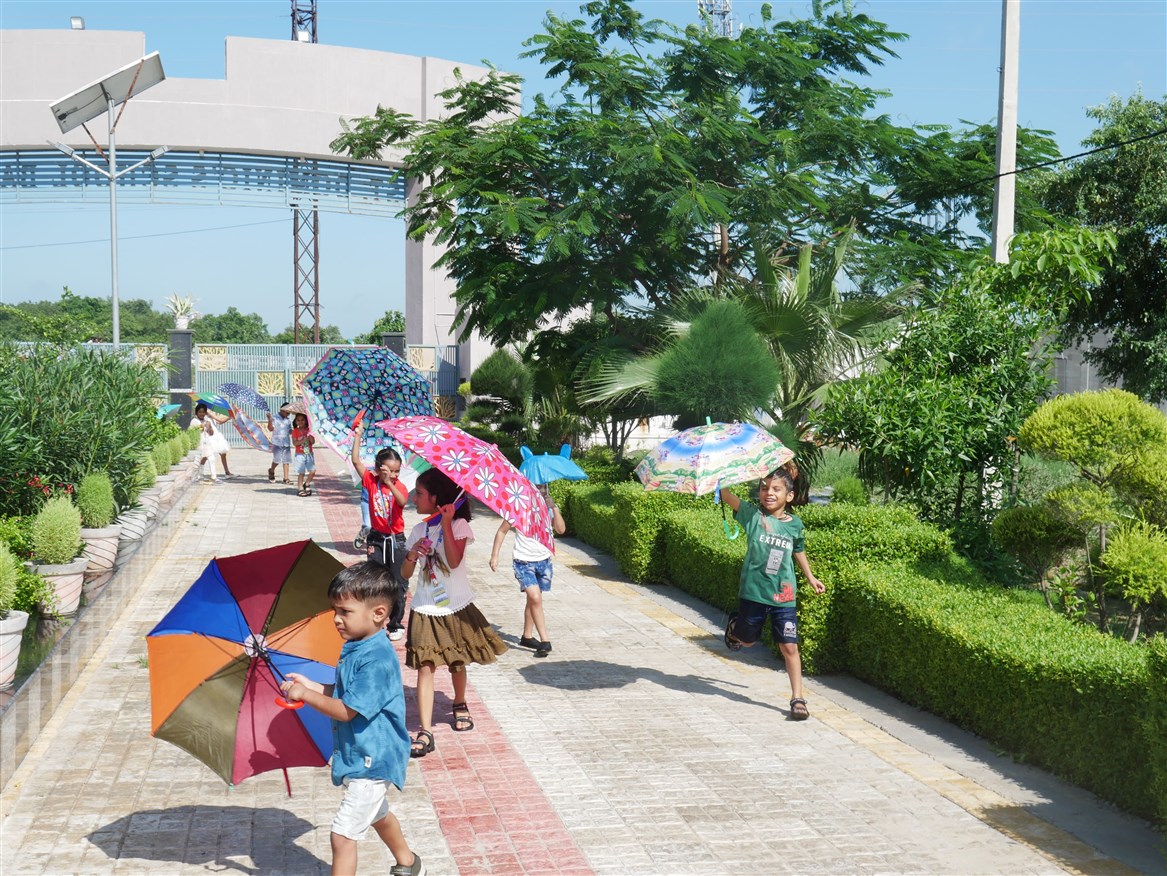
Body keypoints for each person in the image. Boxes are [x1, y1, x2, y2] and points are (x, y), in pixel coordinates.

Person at [280, 563, 425, 876]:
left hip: (375, 760)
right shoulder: (357, 647)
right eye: (335, 610)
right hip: (360, 755)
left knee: (343, 835)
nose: (336, 618)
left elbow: (347, 709)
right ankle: (409, 863)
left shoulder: (377, 658)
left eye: (345, 611)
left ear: (378, 613)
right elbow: (344, 692)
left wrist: (305, 696)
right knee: (377, 814)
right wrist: (310, 687)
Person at [399, 468, 507, 758]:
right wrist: (412, 554)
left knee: (457, 661)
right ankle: (425, 731)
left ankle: (459, 702)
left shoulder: (460, 526)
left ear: (437, 498)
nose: (414, 498)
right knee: (425, 666)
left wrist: (446, 523)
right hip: (424, 606)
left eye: (420, 493)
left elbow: (454, 561)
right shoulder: (419, 530)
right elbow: (405, 573)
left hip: (454, 606)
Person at [719, 467, 826, 721]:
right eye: (764, 488)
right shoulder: (752, 516)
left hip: (784, 596)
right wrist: (723, 474)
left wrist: (810, 577)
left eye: (776, 489)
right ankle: (735, 627)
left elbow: (798, 549)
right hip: (754, 593)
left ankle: (797, 698)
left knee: (789, 646)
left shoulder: (794, 525)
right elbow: (726, 496)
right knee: (747, 642)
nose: (769, 493)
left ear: (789, 496)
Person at [489, 482, 565, 657]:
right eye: (536, 489)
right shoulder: (519, 508)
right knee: (535, 598)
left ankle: (527, 636)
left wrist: (554, 507)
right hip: (523, 562)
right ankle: (545, 641)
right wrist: (495, 555)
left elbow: (561, 529)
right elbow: (502, 531)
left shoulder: (548, 509)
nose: (540, 492)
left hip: (544, 561)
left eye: (543, 489)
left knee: (533, 600)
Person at [351, 421, 410, 640]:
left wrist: (390, 483)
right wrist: (358, 435)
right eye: (389, 471)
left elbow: (402, 501)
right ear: (378, 468)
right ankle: (373, 622)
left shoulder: (399, 486)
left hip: (396, 540)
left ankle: (395, 624)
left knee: (397, 583)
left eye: (397, 471)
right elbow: (356, 460)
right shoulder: (370, 481)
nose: (393, 474)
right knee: (375, 580)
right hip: (376, 539)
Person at [192, 402, 234, 482]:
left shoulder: (206, 417)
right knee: (205, 458)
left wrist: (209, 427)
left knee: (211, 458)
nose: (202, 413)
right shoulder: (195, 420)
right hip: (202, 442)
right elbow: (199, 429)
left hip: (208, 439)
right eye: (200, 412)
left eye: (203, 412)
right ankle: (199, 475)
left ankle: (212, 476)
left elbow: (213, 429)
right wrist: (204, 425)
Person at [266, 403, 293, 484]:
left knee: (286, 460)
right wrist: (270, 420)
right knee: (277, 460)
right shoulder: (275, 418)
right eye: (287, 412)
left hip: (286, 443)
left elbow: (289, 431)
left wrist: (297, 430)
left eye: (289, 412)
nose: (288, 414)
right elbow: (270, 429)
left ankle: (286, 478)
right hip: (277, 443)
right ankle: (271, 470)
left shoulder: (288, 420)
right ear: (282, 409)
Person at [291, 412, 316, 496]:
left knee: (312, 471)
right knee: (301, 472)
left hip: (309, 454)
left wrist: (310, 435)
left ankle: (307, 483)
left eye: (302, 420)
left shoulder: (309, 430)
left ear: (306, 421)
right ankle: (300, 488)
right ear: (295, 421)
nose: (300, 422)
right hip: (299, 454)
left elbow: (312, 442)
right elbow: (295, 443)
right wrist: (303, 440)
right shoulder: (295, 431)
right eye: (298, 420)